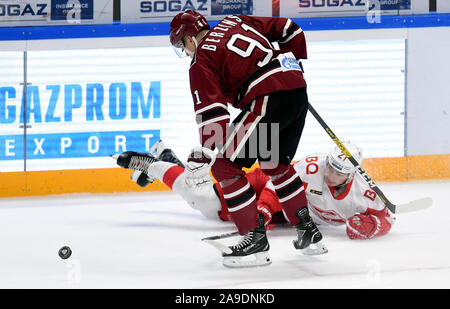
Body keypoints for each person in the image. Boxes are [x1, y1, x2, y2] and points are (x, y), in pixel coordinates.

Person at [115, 10, 327, 267]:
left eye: (183, 46)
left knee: (225, 165)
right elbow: (290, 29)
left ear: (190, 39)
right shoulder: (235, 20)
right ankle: (308, 231)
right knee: (274, 165)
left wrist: (207, 152)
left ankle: (254, 241)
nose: (186, 52)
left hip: (267, 100)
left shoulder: (201, 58)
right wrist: (292, 69)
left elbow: (213, 113)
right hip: (296, 90)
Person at [113, 140, 395, 241]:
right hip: (269, 184)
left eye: (339, 171)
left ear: (353, 172)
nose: (330, 174)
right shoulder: (312, 168)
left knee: (207, 203)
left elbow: (388, 219)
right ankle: (151, 165)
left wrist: (371, 226)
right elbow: (277, 184)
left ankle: (167, 159)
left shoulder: (366, 193)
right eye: (330, 166)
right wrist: (262, 209)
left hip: (287, 211)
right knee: (204, 202)